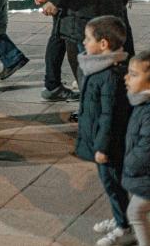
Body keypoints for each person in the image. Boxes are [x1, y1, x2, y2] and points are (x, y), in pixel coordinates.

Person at [75, 16, 132, 246]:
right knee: (111, 184)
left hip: (108, 146)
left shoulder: (108, 75)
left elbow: (109, 117)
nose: (84, 42)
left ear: (103, 44)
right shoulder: (99, 67)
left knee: (113, 184)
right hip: (102, 140)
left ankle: (124, 227)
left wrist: (101, 147)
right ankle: (123, 218)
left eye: (88, 38)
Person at [123, 50, 150, 246]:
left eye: (134, 74)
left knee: (135, 211)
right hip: (143, 175)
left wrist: (129, 164)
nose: (126, 78)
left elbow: (146, 147)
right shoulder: (141, 103)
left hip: (145, 175)